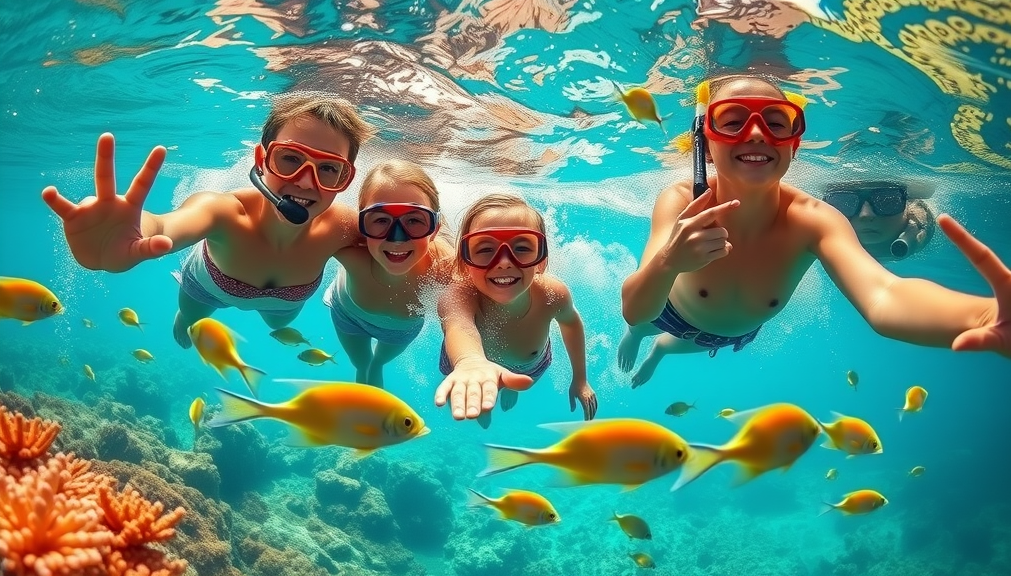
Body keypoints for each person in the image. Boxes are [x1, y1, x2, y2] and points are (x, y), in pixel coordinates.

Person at [616, 74, 1011, 387]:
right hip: (667, 310)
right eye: (732, 121)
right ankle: (639, 344)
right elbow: (636, 308)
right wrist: (669, 262)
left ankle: (656, 354)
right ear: (705, 139)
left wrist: (986, 313)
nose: (756, 133)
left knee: (673, 346)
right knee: (642, 328)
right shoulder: (681, 201)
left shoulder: (814, 219)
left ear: (794, 144)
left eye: (777, 123)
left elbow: (885, 295)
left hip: (736, 331)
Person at [42, 92, 376, 348]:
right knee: (188, 320)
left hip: (283, 304)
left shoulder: (344, 228)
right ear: (261, 159)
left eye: (329, 169)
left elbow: (405, 240)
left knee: (277, 326)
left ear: (345, 179)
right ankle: (184, 318)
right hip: (207, 289)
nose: (305, 181)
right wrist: (132, 230)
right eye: (290, 159)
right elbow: (166, 225)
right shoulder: (223, 211)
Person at [433, 194, 598, 426]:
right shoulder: (459, 296)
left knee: (518, 384)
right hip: (467, 366)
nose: (503, 261)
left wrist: (580, 379)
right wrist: (469, 362)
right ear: (464, 261)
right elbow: (459, 325)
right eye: (485, 249)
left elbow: (571, 322)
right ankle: (487, 388)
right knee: (469, 398)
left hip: (529, 367)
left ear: (541, 260)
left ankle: (509, 387)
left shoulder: (553, 294)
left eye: (521, 248)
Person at [326, 160, 455, 387]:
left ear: (434, 229)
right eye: (381, 220)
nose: (397, 237)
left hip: (399, 332)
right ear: (362, 225)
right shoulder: (352, 251)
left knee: (377, 362)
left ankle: (376, 366)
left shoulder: (443, 264)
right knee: (361, 362)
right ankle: (367, 367)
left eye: (414, 220)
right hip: (348, 317)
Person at [823, 179, 936, 261]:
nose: (865, 215)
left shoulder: (917, 219)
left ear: (906, 205)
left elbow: (922, 216)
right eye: (844, 203)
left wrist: (913, 232)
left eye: (887, 201)